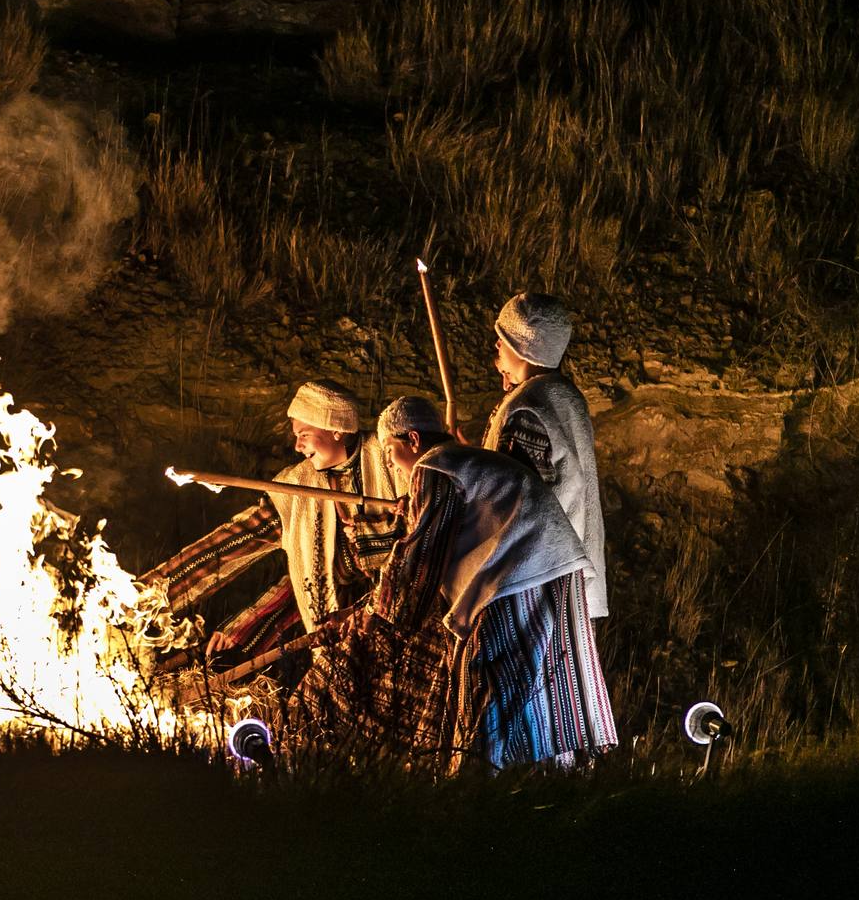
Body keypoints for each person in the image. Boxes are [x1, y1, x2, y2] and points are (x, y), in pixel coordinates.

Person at [303, 396, 616, 770]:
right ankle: (559, 770)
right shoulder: (458, 464)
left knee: (492, 677)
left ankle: (487, 772)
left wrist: (371, 619)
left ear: (414, 440)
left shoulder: (433, 467)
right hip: (554, 567)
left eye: (390, 452)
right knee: (549, 677)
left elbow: (420, 560)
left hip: (519, 575)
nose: (390, 465)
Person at [143, 379, 403, 667]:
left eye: (304, 434)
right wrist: (145, 595)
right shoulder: (299, 486)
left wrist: (375, 532)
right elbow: (240, 541)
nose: (297, 445)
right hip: (339, 614)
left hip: (399, 608)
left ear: (336, 429)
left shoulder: (390, 455)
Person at [483, 292, 607, 620]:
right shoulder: (565, 395)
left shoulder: (528, 408)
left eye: (502, 339)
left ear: (522, 345)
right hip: (566, 574)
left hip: (534, 585)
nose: (496, 346)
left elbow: (518, 505)